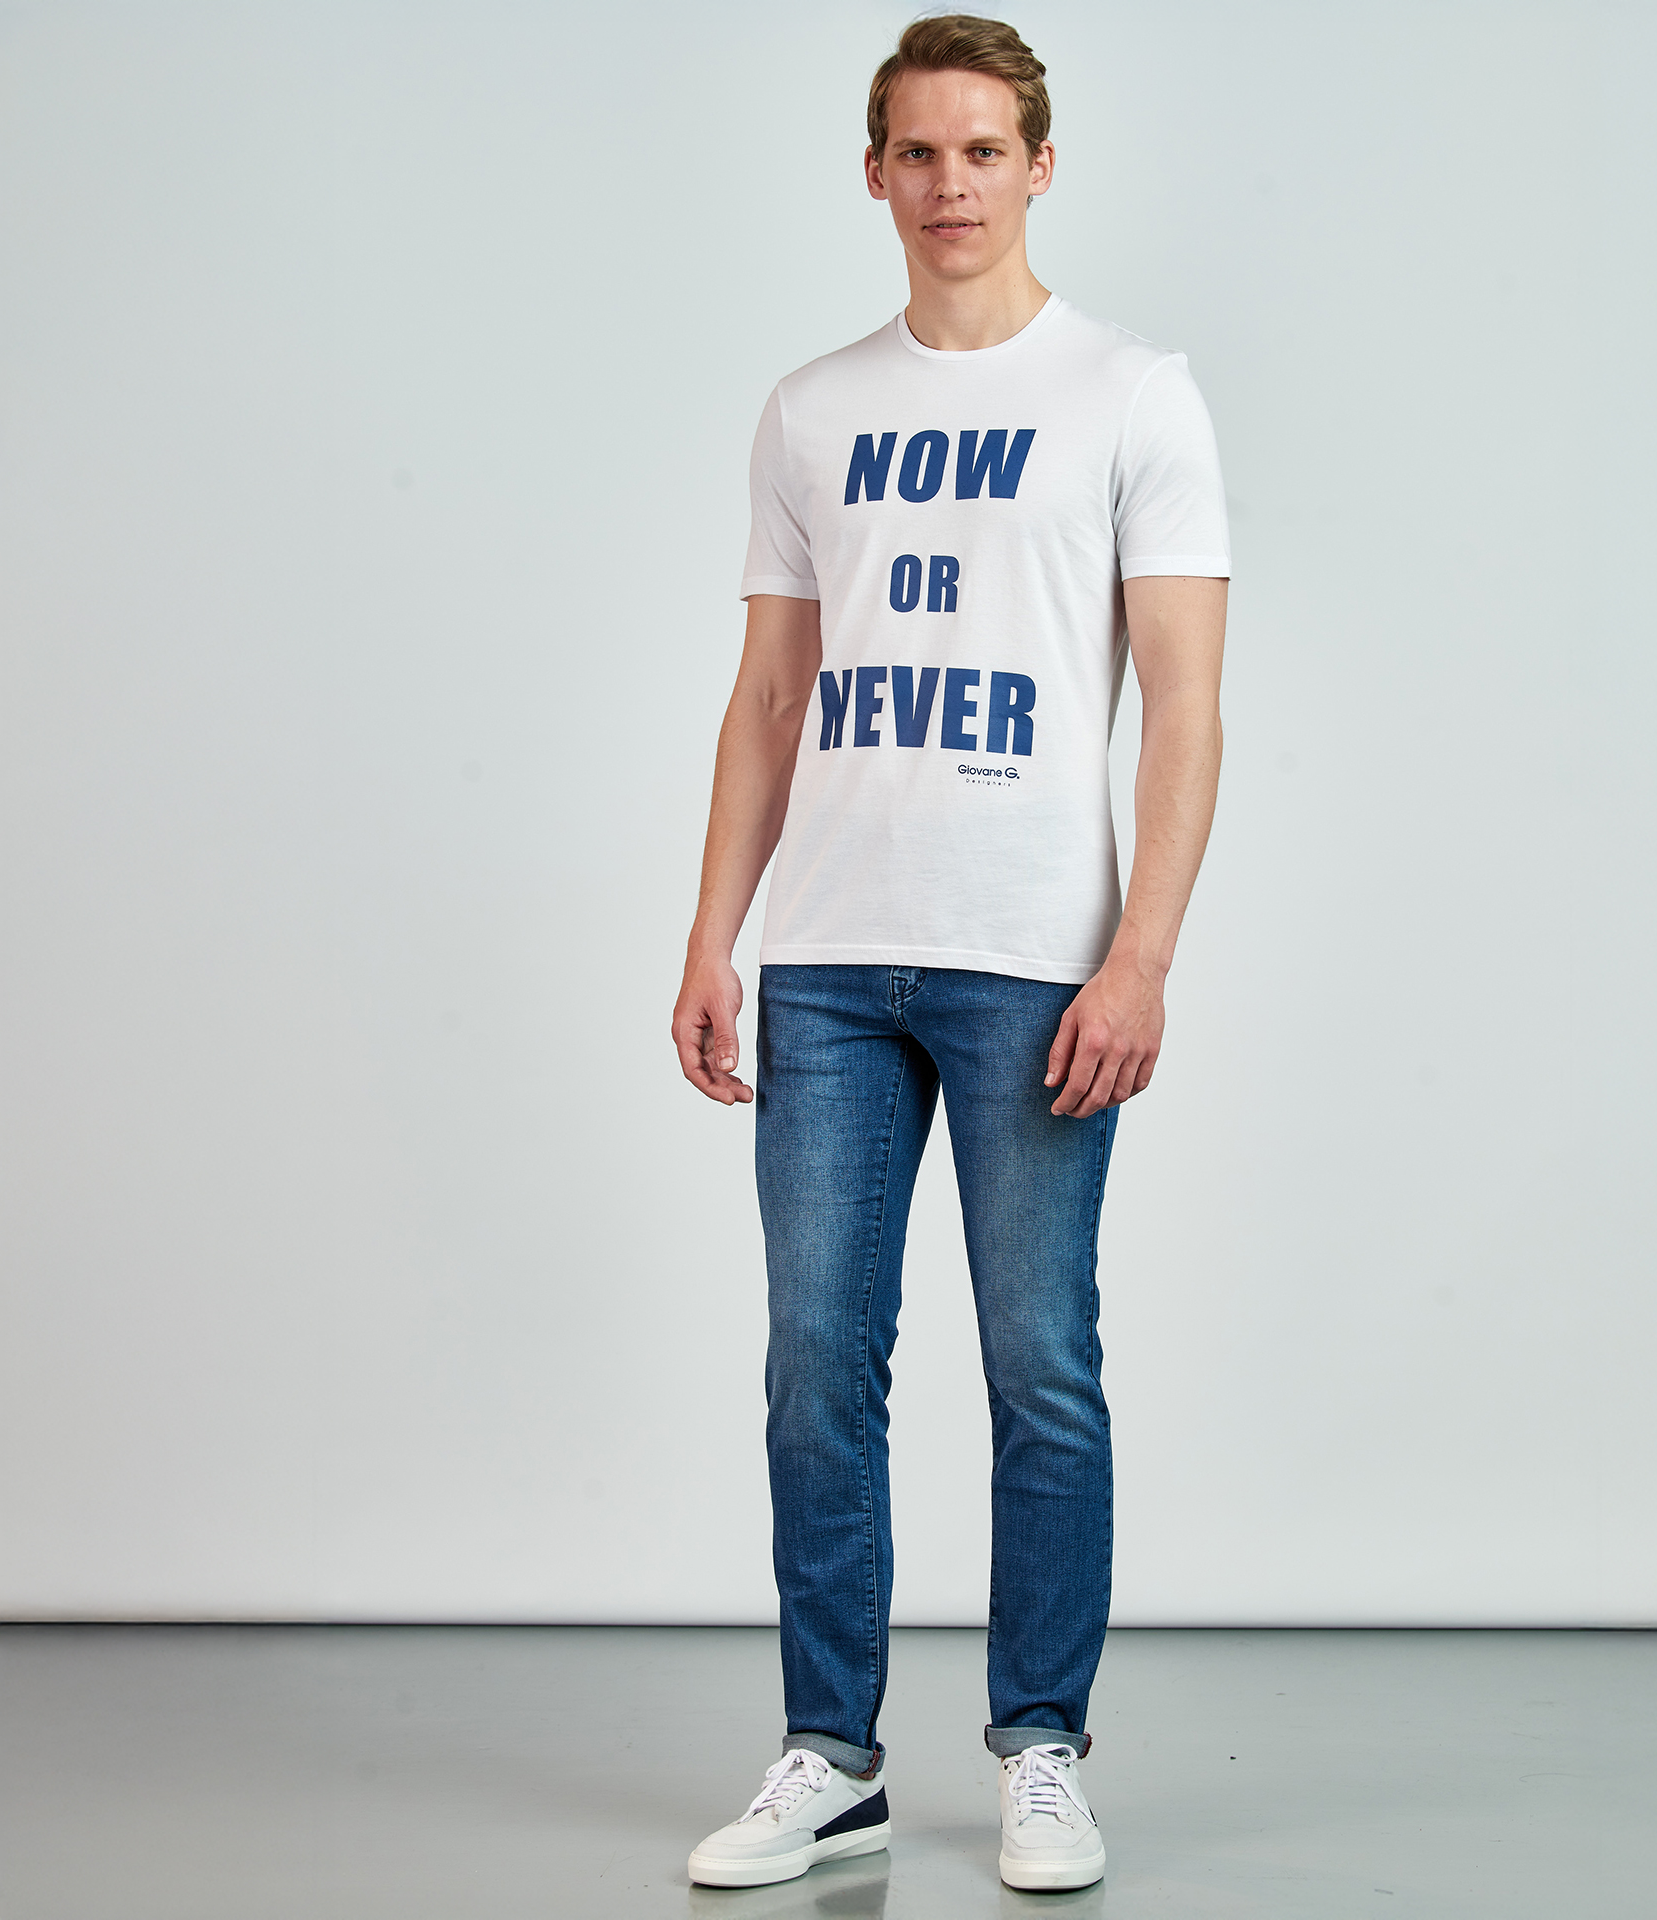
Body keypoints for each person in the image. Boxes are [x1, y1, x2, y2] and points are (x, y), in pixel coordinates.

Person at [672, 13, 1229, 1893]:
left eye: (984, 150)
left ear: (1039, 166)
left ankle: (1042, 1748)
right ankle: (830, 1756)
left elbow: (1186, 704)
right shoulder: (810, 409)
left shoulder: (1134, 394)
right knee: (816, 1363)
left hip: (1033, 961)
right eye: (918, 152)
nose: (950, 184)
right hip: (830, 958)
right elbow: (769, 695)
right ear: (874, 174)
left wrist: (1141, 955)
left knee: (1040, 1361)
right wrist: (713, 934)